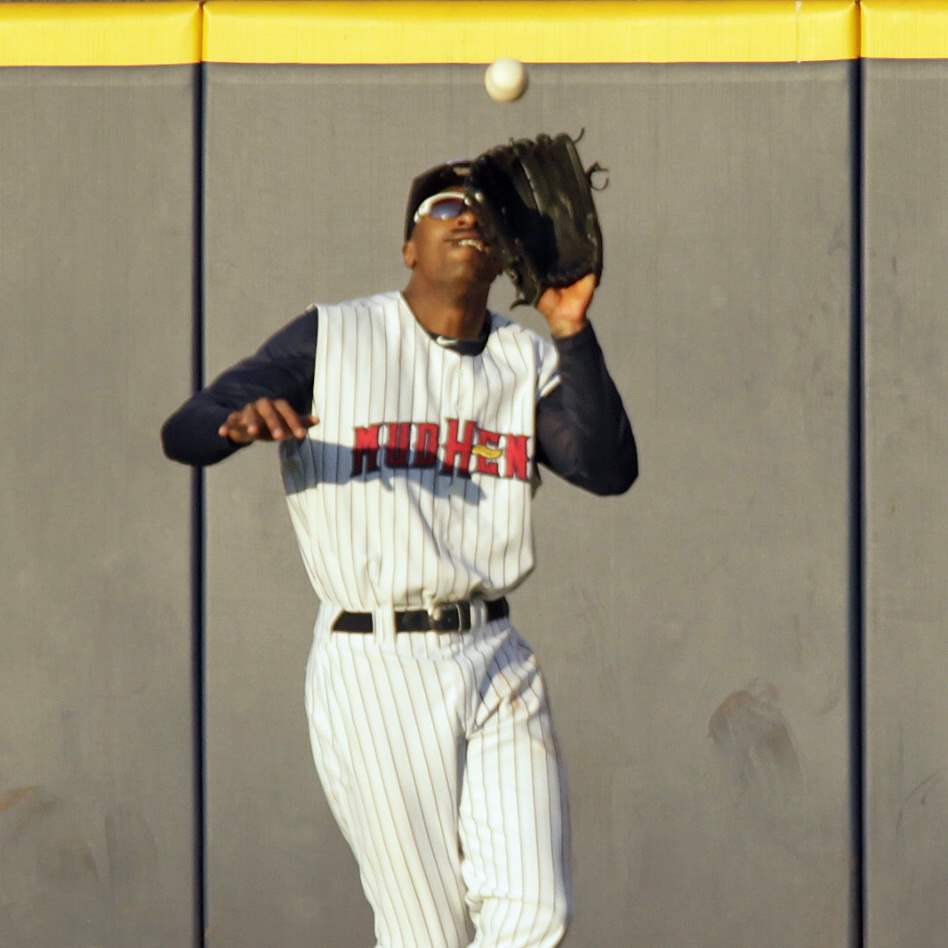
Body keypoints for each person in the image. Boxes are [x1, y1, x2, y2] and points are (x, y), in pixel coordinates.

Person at [162, 159, 637, 948]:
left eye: (483, 208)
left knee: (537, 914)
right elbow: (186, 427)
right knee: (428, 934)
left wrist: (571, 330)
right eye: (445, 204)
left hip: (495, 657)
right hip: (374, 663)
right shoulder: (337, 336)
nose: (467, 216)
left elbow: (607, 467)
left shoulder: (523, 359)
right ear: (408, 246)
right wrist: (234, 420)